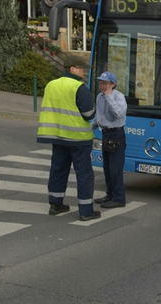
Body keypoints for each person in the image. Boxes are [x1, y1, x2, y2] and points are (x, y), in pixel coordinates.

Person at [37, 56, 100, 221]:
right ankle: (86, 211)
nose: (85, 72)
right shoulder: (79, 87)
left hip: (57, 136)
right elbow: (88, 114)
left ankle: (56, 204)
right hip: (78, 137)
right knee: (84, 173)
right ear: (72, 68)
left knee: (58, 170)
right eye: (82, 68)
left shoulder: (51, 85)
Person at [92, 71, 127, 208]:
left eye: (105, 83)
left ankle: (119, 198)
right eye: (100, 82)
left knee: (115, 168)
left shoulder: (119, 97)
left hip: (116, 134)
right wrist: (90, 128)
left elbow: (119, 113)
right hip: (105, 133)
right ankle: (110, 194)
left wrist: (109, 97)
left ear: (112, 84)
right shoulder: (100, 97)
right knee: (107, 167)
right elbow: (98, 115)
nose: (101, 84)